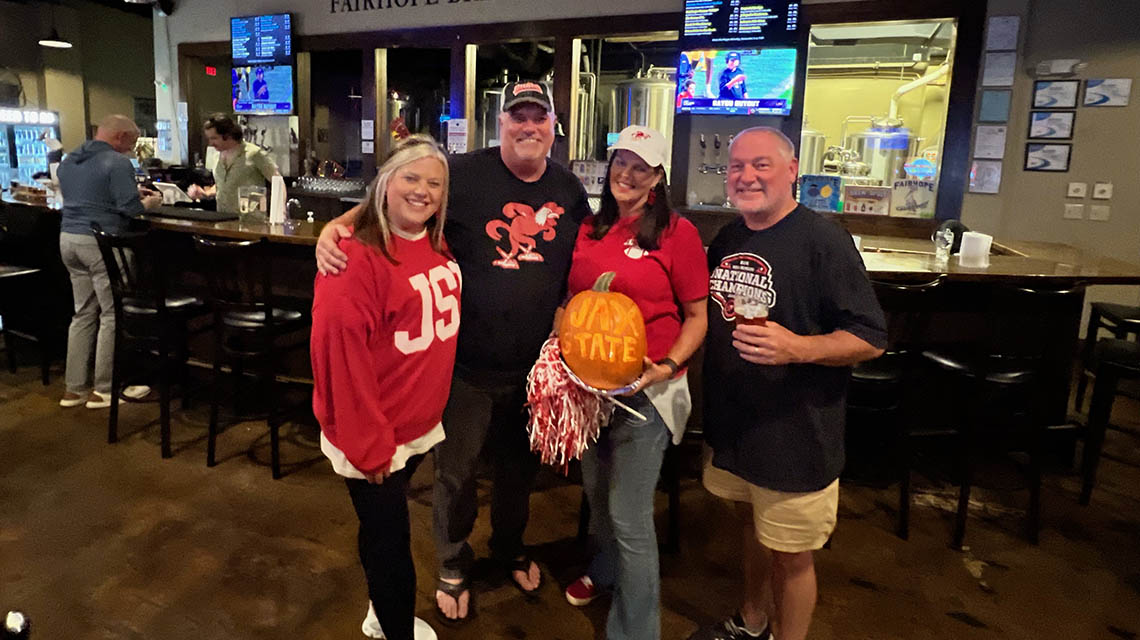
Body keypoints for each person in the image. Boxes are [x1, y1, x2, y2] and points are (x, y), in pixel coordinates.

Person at [315, 81, 591, 625]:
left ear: (554, 127)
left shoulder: (568, 187)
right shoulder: (460, 172)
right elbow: (397, 195)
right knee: (457, 474)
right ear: (503, 123)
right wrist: (336, 226)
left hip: (535, 366)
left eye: (540, 117)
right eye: (518, 117)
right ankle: (451, 563)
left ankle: (508, 548)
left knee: (518, 472)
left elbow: (585, 251)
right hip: (463, 366)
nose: (529, 126)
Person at [688, 127, 886, 640]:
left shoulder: (824, 240)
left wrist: (798, 347)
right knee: (755, 529)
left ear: (792, 169)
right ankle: (752, 622)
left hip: (796, 433)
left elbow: (870, 337)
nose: (746, 176)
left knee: (793, 555)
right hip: (737, 425)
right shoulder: (731, 237)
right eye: (736, 167)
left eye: (761, 165)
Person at [560, 125, 708, 640]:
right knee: (597, 495)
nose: (627, 173)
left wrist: (665, 366)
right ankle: (605, 572)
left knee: (627, 514)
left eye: (640, 166)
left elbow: (697, 315)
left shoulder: (676, 234)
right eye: (621, 161)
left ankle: (636, 630)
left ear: (658, 176)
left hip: (648, 391)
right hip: (588, 388)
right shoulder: (590, 228)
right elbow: (570, 302)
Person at [311, 135, 458, 640]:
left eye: (434, 182)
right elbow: (338, 361)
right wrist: (370, 444)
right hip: (374, 435)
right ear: (385, 183)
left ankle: (379, 611)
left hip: (415, 426)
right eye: (410, 178)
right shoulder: (353, 258)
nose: (422, 191)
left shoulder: (434, 241)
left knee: (379, 531)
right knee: (392, 543)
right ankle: (394, 628)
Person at [57, 114, 161, 409]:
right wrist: (149, 203)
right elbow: (130, 209)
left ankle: (74, 390)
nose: (132, 149)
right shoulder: (117, 163)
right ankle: (104, 390)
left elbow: (87, 195)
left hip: (68, 238)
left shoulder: (70, 160)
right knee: (112, 314)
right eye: (131, 142)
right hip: (101, 243)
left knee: (83, 314)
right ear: (120, 137)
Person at [186, 113, 279, 214]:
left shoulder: (254, 154)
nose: (210, 143)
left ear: (228, 135)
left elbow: (278, 181)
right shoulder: (216, 156)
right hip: (223, 219)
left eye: (214, 138)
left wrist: (279, 213)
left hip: (251, 221)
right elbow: (222, 185)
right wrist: (206, 193)